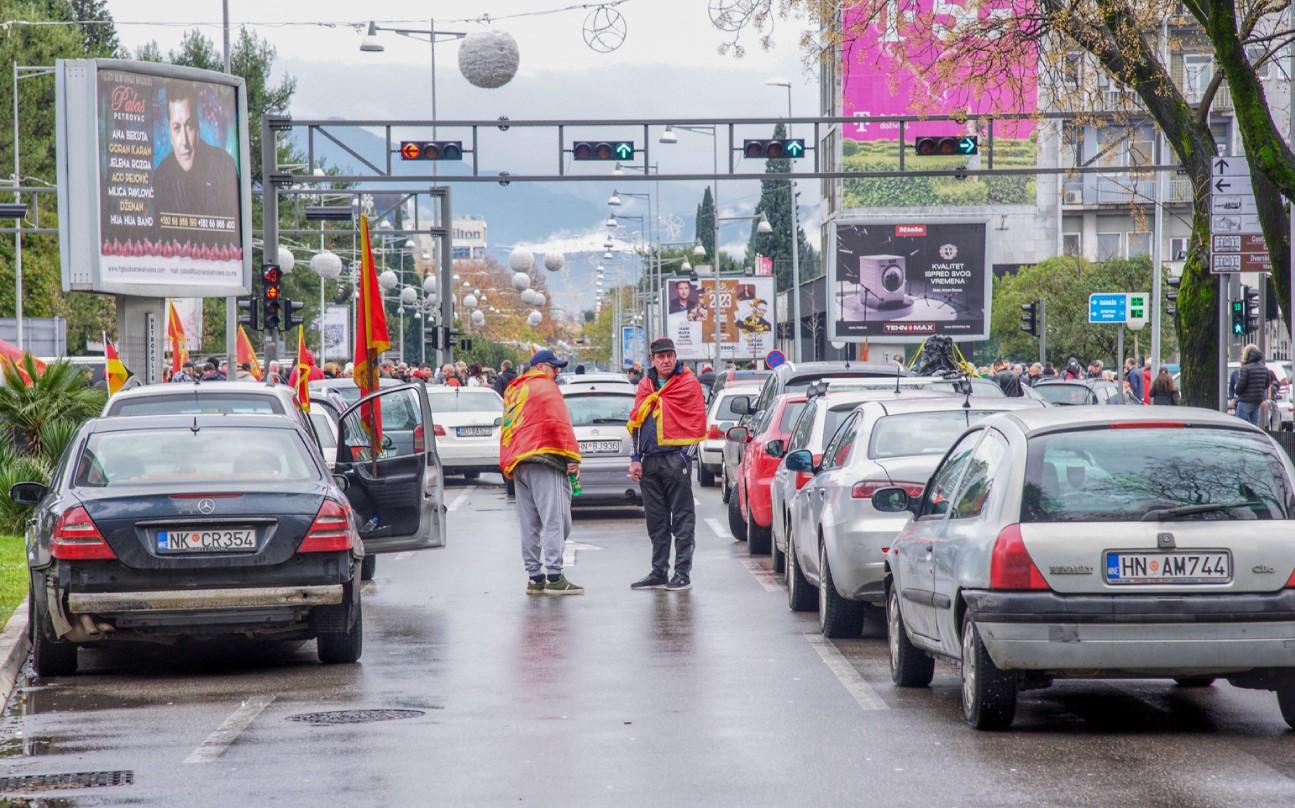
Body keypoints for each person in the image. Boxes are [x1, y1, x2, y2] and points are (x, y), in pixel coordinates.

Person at [499, 349, 583, 596]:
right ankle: (555, 576)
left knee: (529, 524)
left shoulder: (515, 388)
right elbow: (558, 423)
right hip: (545, 459)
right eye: (554, 367)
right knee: (556, 519)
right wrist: (571, 457)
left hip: (520, 461)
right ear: (540, 366)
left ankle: (535, 577)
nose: (557, 372)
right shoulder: (546, 387)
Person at [627, 338, 708, 592]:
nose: (666, 360)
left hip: (676, 461)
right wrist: (635, 458)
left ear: (675, 356)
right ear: (653, 359)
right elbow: (636, 423)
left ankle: (682, 573)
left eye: (669, 355)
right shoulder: (645, 385)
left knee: (683, 518)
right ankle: (659, 571)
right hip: (650, 462)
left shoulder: (688, 383)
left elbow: (697, 423)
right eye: (660, 356)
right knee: (656, 520)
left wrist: (684, 457)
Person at [153, 81, 240, 247]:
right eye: (177, 128)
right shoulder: (161, 177)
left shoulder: (223, 166)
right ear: (169, 131)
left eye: (189, 126)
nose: (184, 141)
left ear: (198, 127)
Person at [1233, 344, 1268, 426]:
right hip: (1257, 401)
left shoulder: (1245, 368)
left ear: (1246, 354)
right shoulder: (1264, 368)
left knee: (1241, 426)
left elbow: (1241, 385)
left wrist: (1236, 391)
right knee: (1254, 426)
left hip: (1245, 400)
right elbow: (1266, 384)